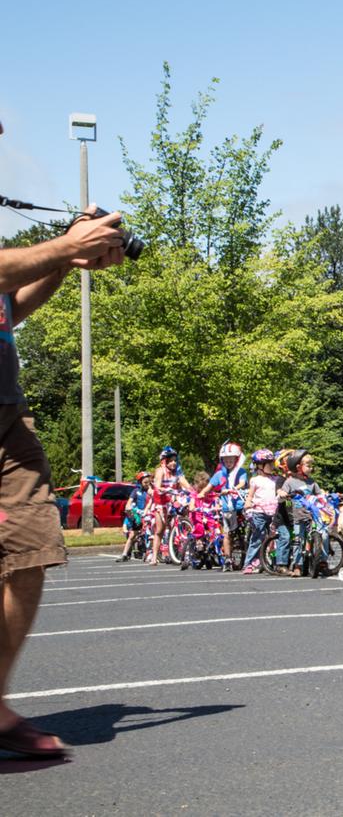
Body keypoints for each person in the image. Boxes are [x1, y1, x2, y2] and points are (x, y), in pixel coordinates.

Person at [0, 115, 126, 757]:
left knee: (30, 549)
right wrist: (62, 246)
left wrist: (70, 257)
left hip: (6, 415)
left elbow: (8, 305)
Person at [201, 441, 247, 572]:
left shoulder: (241, 471)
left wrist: (234, 488)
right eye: (225, 459)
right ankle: (227, 558)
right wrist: (201, 493)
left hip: (240, 505)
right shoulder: (219, 474)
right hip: (228, 508)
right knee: (227, 533)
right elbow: (209, 487)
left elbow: (243, 483)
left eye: (231, 459)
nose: (228, 462)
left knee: (246, 530)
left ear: (237, 459)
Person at [280, 450, 324, 577]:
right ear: (298, 467)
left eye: (311, 466)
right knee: (298, 541)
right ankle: (297, 566)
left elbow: (319, 494)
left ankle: (321, 562)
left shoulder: (312, 482)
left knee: (321, 536)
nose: (311, 468)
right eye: (308, 466)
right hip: (298, 516)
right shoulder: (290, 481)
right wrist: (282, 494)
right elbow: (282, 495)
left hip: (312, 516)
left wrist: (327, 496)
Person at [146, 446, 192, 565]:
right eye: (170, 460)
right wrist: (163, 489)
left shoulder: (178, 473)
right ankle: (154, 556)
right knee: (160, 529)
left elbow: (185, 484)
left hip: (173, 500)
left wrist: (193, 491)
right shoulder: (160, 471)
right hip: (161, 503)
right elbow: (157, 485)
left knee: (186, 513)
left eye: (175, 460)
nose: (173, 463)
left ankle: (183, 548)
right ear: (164, 461)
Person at [241, 449, 279, 574]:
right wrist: (248, 504)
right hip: (259, 512)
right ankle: (249, 563)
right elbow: (250, 496)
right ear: (260, 466)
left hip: (274, 512)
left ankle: (275, 561)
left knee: (275, 537)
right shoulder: (255, 480)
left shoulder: (276, 479)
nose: (272, 466)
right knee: (258, 537)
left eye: (272, 463)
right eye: (269, 464)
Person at [116, 472, 151, 562]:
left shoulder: (151, 491)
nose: (147, 484)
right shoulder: (136, 491)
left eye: (148, 482)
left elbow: (152, 502)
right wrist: (131, 513)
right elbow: (128, 504)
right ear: (140, 483)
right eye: (145, 482)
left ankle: (152, 553)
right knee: (132, 535)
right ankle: (124, 554)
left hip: (149, 514)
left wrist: (146, 511)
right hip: (138, 515)